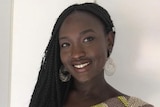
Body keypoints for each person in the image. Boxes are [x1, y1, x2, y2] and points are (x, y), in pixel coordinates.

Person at [29, 3, 153, 107]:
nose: (77, 54)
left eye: (88, 39)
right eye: (66, 44)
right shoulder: (47, 100)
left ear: (109, 41)